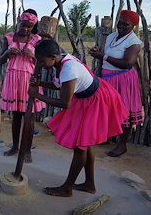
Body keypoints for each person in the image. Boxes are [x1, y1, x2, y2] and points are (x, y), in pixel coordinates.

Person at [28, 39, 128, 197]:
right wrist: (41, 83)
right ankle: (89, 184)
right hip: (86, 99)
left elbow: (64, 103)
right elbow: (59, 85)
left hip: (95, 100)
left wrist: (37, 95)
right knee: (84, 144)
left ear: (53, 56)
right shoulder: (61, 61)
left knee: (80, 147)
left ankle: (67, 188)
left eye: (41, 61)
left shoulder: (69, 68)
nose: (40, 64)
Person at [89, 10, 143, 157]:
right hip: (108, 78)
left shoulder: (134, 42)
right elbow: (108, 54)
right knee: (106, 109)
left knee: (124, 111)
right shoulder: (112, 36)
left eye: (126, 24)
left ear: (133, 26)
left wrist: (103, 56)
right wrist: (98, 52)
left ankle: (122, 144)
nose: (121, 26)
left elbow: (127, 63)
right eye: (120, 22)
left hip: (123, 79)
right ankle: (105, 138)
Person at [0, 9, 46, 163]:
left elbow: (44, 62)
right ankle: (15, 147)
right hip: (12, 79)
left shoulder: (37, 40)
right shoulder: (9, 37)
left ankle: (27, 150)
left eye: (29, 27)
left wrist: (33, 56)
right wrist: (7, 54)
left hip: (28, 80)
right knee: (16, 116)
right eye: (23, 25)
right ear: (18, 22)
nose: (25, 29)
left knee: (29, 117)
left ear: (33, 27)